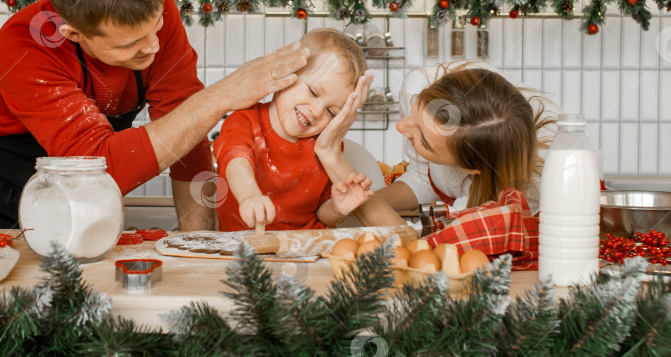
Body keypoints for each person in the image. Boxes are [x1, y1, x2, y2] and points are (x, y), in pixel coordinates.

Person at [0, 0, 309, 230]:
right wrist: (221, 97)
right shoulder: (26, 44)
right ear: (75, 34)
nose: (152, 47)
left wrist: (197, 244)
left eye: (155, 28)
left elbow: (186, 132)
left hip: (81, 197)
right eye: (131, 44)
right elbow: (96, 170)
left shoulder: (156, 8)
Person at [213, 28, 376, 232]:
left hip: (304, 248)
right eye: (313, 91)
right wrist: (249, 195)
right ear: (287, 73)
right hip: (244, 246)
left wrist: (337, 208)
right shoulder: (244, 121)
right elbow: (236, 162)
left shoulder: (325, 144)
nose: (316, 111)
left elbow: (321, 215)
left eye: (331, 112)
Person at [364, 61, 560, 217]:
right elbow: (423, 177)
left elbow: (436, 239)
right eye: (417, 108)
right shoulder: (420, 83)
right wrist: (350, 205)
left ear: (473, 168)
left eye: (423, 141)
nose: (400, 127)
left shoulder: (522, 189)